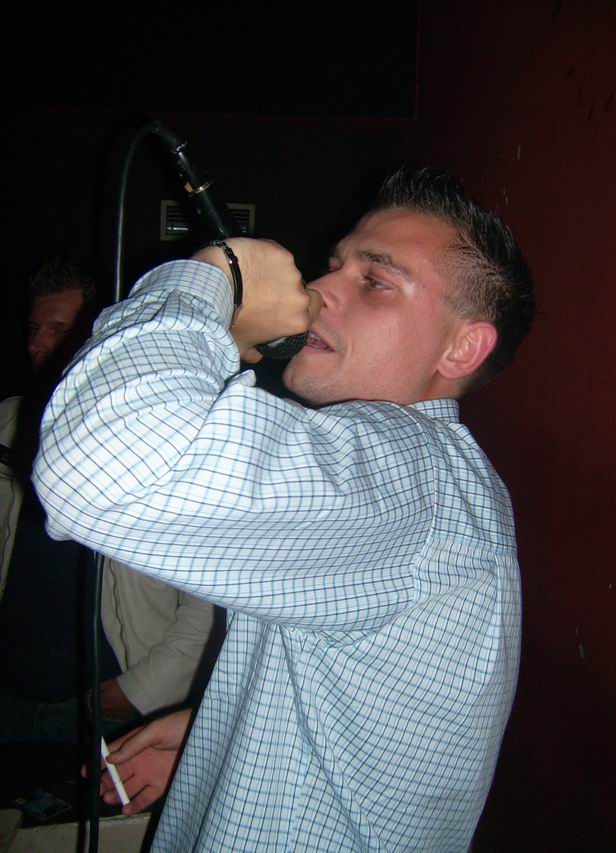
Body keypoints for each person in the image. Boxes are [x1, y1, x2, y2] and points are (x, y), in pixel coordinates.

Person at [34, 169, 535, 850]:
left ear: (462, 347)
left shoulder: (412, 473)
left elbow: (104, 470)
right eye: (335, 265)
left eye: (375, 280)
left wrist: (213, 277)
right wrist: (221, 727)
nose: (321, 288)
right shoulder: (429, 488)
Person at [0, 256, 218, 742]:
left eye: (58, 330)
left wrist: (145, 687)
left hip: (106, 699)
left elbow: (212, 599)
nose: (35, 344)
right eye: (34, 328)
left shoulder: (166, 437)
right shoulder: (7, 423)